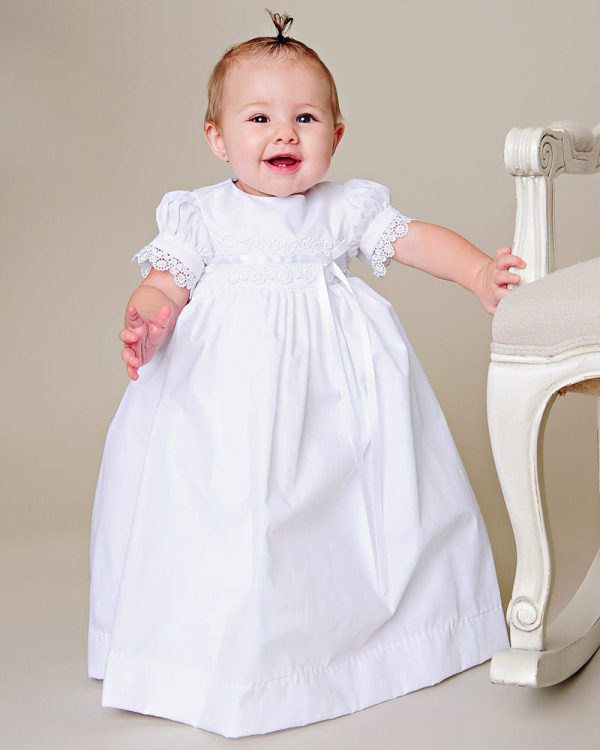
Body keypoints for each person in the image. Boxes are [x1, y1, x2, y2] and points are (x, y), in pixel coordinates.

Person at [88, 8, 524, 738]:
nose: (284, 134)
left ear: (336, 135)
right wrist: (150, 317)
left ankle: (369, 638)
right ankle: (215, 655)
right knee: (233, 514)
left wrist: (478, 271)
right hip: (225, 404)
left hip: (339, 397)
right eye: (259, 118)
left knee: (347, 508)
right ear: (217, 137)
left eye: (306, 118)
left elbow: (415, 240)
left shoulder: (344, 208)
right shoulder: (201, 216)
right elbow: (166, 282)